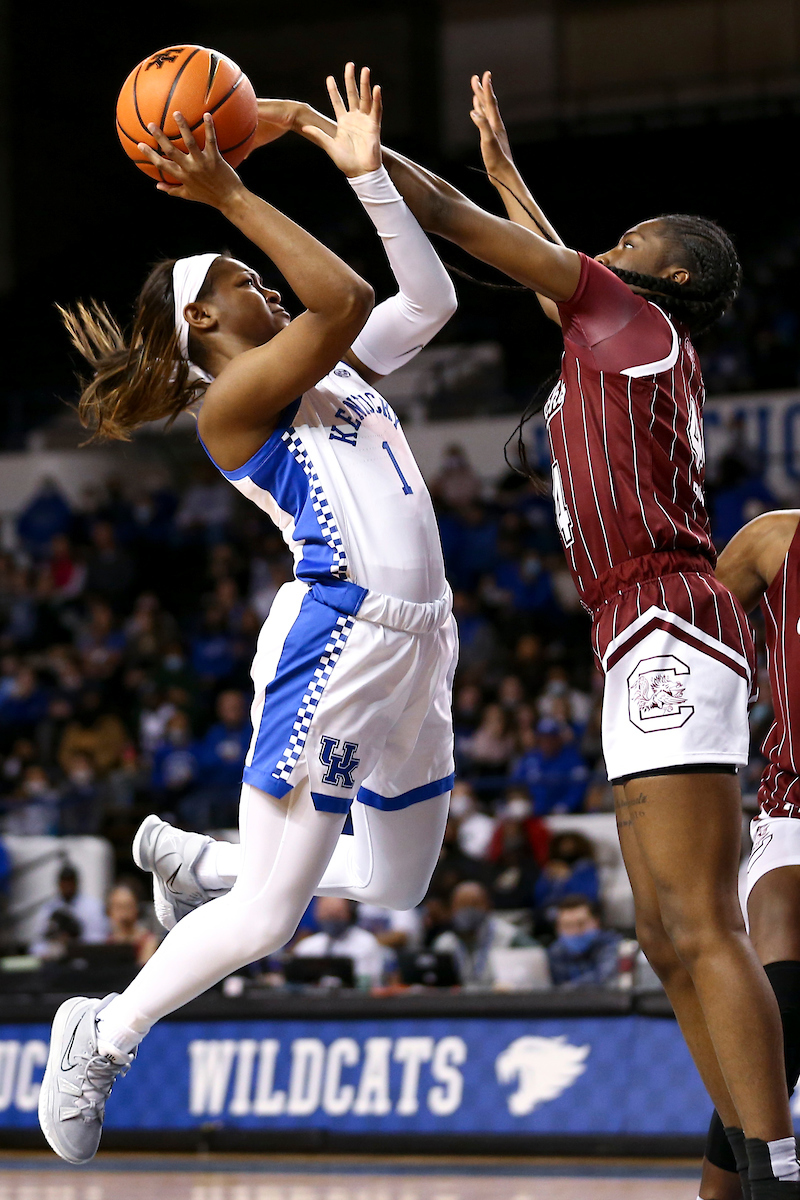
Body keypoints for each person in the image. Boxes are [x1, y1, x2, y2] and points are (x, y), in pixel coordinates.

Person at [253, 64, 795, 1196]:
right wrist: (507, 171)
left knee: (697, 923)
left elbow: (457, 230)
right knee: (661, 932)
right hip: (633, 624)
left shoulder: (631, 316)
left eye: (635, 235)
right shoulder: (621, 326)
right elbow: (545, 269)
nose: (612, 242)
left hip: (663, 612)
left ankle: (775, 1167)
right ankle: (748, 1159)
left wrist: (330, 142)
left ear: (675, 272)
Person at [38, 67, 458, 1166]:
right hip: (343, 641)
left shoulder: (332, 363)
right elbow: (344, 300)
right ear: (200, 317)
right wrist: (226, 193)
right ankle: (102, 1034)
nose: (264, 281)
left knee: (397, 882)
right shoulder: (234, 404)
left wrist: (351, 164)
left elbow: (428, 302)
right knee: (273, 919)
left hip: (425, 641)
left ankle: (203, 865)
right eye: (240, 275)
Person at [697, 509, 800, 1200]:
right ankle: (726, 1191)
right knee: (785, 999)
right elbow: (695, 625)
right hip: (795, 807)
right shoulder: (777, 537)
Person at [432, 879, 533, 987]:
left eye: (474, 904)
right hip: (456, 1001)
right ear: (451, 909)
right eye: (462, 905)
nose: (468, 910)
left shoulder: (509, 936)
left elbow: (535, 958)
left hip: (498, 999)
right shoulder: (444, 943)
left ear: (488, 905)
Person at [292, 896, 386, 986]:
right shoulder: (306, 947)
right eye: (326, 915)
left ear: (350, 913)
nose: (331, 920)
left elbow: (371, 982)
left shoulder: (366, 943)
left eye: (336, 915)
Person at [29, 864, 109, 957]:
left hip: (85, 960)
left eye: (70, 881)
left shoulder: (93, 906)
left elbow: (100, 940)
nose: (67, 885)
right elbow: (36, 945)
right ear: (58, 884)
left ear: (77, 882)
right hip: (56, 961)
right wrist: (54, 944)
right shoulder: (48, 909)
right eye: (64, 882)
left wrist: (74, 942)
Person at [546, 894, 621, 989]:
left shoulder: (612, 945)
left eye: (581, 924)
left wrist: (567, 990)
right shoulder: (555, 952)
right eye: (567, 926)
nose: (575, 931)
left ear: (596, 922)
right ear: (558, 928)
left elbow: (603, 979)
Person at [106, 884, 158, 967]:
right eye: (118, 907)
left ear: (137, 909)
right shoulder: (107, 942)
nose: (123, 913)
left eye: (128, 906)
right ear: (109, 911)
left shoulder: (147, 942)